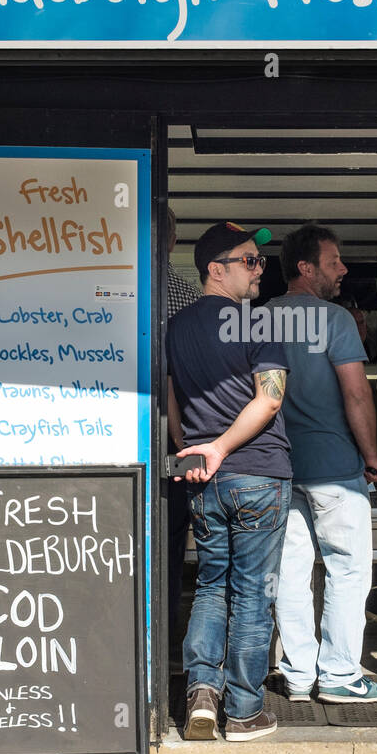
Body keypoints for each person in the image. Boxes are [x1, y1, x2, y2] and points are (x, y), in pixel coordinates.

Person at [167, 220, 290, 742]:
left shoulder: (173, 328)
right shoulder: (258, 324)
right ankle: (243, 711)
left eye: (259, 260)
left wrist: (193, 449)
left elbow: (170, 401)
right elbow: (270, 397)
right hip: (258, 473)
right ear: (215, 270)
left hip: (204, 480)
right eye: (248, 260)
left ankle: (200, 693)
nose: (258, 269)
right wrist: (219, 447)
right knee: (252, 593)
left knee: (212, 586)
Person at [267, 224, 377, 704]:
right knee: (347, 569)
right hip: (336, 467)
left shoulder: (259, 318)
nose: (343, 270)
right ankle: (339, 675)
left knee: (290, 572)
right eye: (334, 261)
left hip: (279, 466)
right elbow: (357, 393)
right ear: (306, 268)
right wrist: (372, 454)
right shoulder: (335, 320)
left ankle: (297, 675)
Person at [163, 206, 200, 646]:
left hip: (109, 433)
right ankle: (166, 635)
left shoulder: (114, 289)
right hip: (180, 440)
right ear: (173, 241)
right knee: (172, 542)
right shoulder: (188, 298)